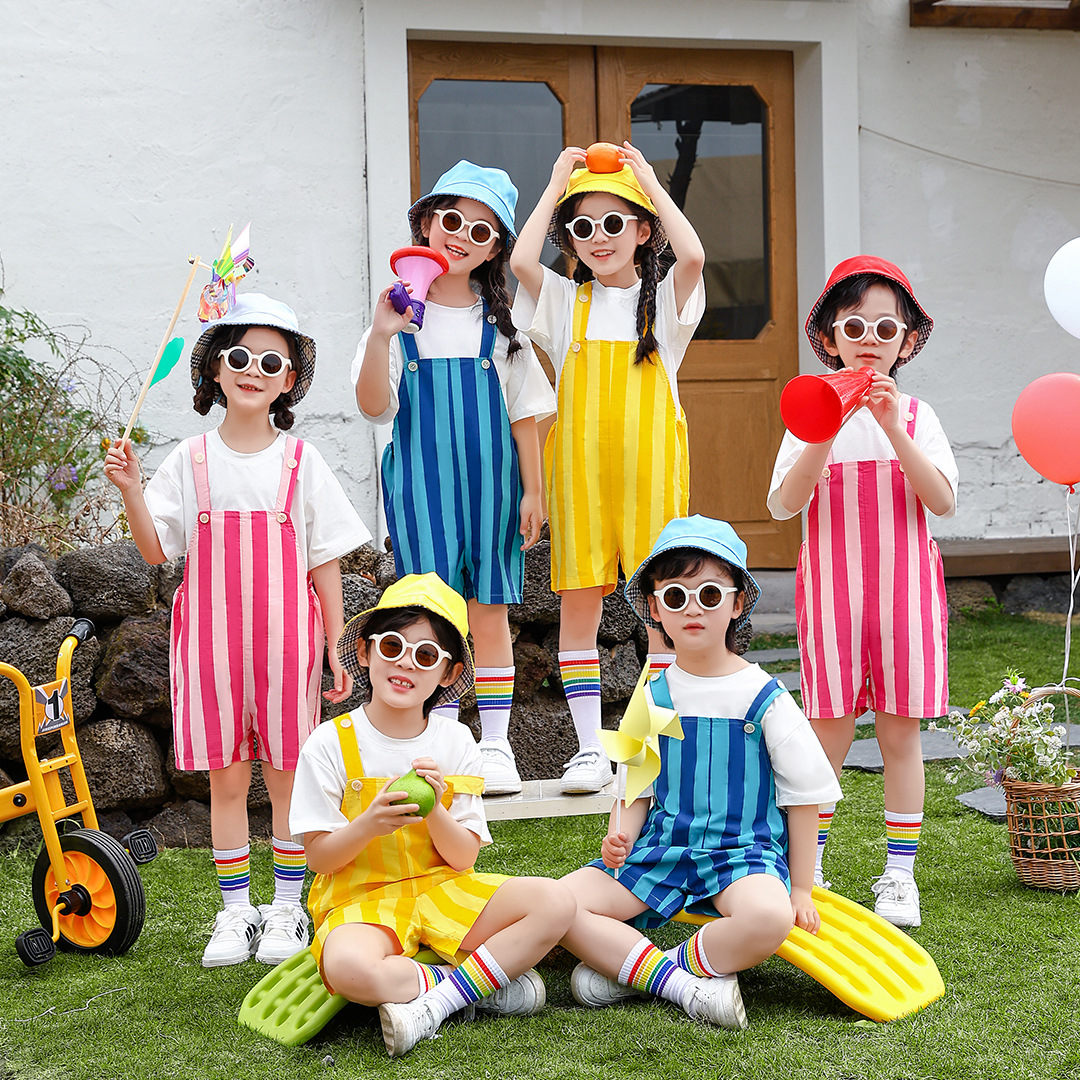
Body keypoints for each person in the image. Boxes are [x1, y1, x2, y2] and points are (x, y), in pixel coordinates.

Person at [104, 293, 371, 967]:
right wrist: (132, 489)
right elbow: (156, 552)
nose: (254, 370)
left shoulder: (301, 462)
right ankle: (234, 913)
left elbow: (324, 561)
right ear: (215, 370)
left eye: (270, 362)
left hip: (287, 646)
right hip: (210, 646)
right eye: (240, 357)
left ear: (289, 381)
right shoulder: (189, 460)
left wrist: (337, 645)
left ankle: (285, 908)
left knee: (287, 777)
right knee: (226, 781)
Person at [559, 516, 841, 1030]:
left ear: (736, 604)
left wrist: (801, 887)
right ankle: (670, 979)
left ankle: (651, 968)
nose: (692, 608)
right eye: (675, 596)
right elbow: (636, 781)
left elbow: (805, 796)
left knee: (769, 918)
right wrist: (620, 835)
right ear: (655, 609)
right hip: (662, 849)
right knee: (557, 904)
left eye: (709, 594)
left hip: (743, 853)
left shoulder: (764, 697)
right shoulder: (655, 693)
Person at [289, 573, 575, 1058]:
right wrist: (369, 823)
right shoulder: (329, 743)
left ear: (447, 674)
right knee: (349, 970)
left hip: (442, 888)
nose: (406, 663)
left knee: (556, 902)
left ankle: (440, 999)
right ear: (364, 651)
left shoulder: (456, 742)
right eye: (392, 645)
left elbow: (464, 859)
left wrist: (436, 812)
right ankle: (476, 983)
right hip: (361, 901)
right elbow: (319, 859)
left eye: (426, 655)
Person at [353, 161, 556, 797]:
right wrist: (382, 335)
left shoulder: (502, 325)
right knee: (428, 611)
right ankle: (437, 740)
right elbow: (373, 406)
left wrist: (533, 490)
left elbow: (526, 413)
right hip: (420, 485)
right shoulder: (397, 319)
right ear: (425, 225)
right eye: (451, 219)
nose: (462, 235)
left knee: (489, 610)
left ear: (495, 249)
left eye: (481, 230)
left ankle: (494, 745)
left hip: (492, 485)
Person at [767, 256, 958, 928]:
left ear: (907, 340)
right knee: (828, 733)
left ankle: (899, 875)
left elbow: (942, 501)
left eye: (885, 326)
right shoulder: (807, 415)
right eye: (854, 326)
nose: (869, 339)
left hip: (906, 598)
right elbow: (785, 504)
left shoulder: (919, 415)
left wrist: (894, 427)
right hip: (832, 600)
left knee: (901, 733)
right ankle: (809, 868)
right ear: (830, 337)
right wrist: (823, 430)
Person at [510, 142, 706, 795]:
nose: (599, 236)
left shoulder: (666, 304)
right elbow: (520, 261)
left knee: (664, 609)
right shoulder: (567, 302)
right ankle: (591, 750)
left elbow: (694, 256)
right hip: (580, 479)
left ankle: (649, 745)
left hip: (653, 475)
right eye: (583, 226)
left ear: (643, 231)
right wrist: (555, 183)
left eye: (615, 222)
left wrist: (648, 179)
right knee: (579, 612)